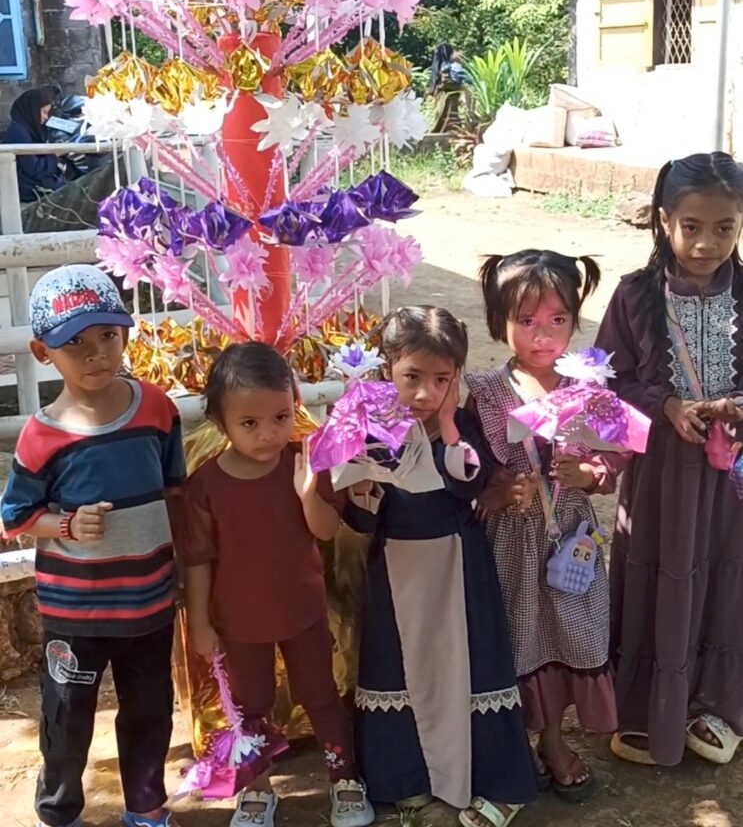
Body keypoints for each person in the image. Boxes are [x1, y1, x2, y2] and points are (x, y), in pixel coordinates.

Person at [0, 264, 186, 827]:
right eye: (75, 343)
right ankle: (59, 812)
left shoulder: (157, 408)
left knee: (150, 711)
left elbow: (174, 491)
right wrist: (65, 526)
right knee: (66, 718)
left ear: (125, 333)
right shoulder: (41, 436)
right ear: (43, 352)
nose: (96, 353)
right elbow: (15, 518)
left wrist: (185, 572)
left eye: (107, 334)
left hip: (149, 605)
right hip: (75, 614)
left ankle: (146, 807)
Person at [342, 306, 536, 827]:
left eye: (441, 380)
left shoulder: (463, 429)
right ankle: (405, 780)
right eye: (411, 377)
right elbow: (361, 519)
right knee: (395, 666)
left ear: (457, 378)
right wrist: (360, 485)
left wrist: (449, 429)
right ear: (387, 370)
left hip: (459, 567)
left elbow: (470, 484)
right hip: (395, 569)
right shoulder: (371, 433)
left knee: (472, 667)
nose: (424, 393)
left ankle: (499, 783)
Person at [183, 343, 374, 827]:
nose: (268, 433)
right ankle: (256, 789)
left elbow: (325, 531)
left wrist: (308, 494)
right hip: (238, 622)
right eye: (249, 423)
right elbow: (198, 560)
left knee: (321, 695)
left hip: (302, 612)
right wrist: (200, 622)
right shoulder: (205, 485)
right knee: (251, 706)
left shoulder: (304, 463)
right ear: (219, 421)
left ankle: (344, 779)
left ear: (295, 405)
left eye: (281, 417)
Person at [595, 152, 743, 768]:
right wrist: (667, 406)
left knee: (728, 578)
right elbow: (606, 380)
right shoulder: (634, 295)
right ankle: (646, 708)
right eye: (691, 226)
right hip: (659, 476)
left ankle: (718, 706)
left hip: (731, 478)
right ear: (663, 221)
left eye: (725, 227)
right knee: (660, 575)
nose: (707, 243)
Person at [466, 251, 624, 801]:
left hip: (572, 539)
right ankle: (518, 742)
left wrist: (591, 474)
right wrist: (498, 489)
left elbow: (615, 453)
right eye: (527, 320)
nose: (544, 335)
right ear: (500, 321)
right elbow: (468, 471)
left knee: (568, 632)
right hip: (512, 542)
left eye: (558, 319)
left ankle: (553, 739)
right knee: (521, 638)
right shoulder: (485, 393)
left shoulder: (587, 386)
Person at [3, 88, 64, 201]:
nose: (46, 117)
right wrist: (54, 155)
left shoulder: (26, 128)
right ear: (33, 111)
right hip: (25, 187)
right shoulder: (19, 133)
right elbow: (33, 169)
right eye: (44, 112)